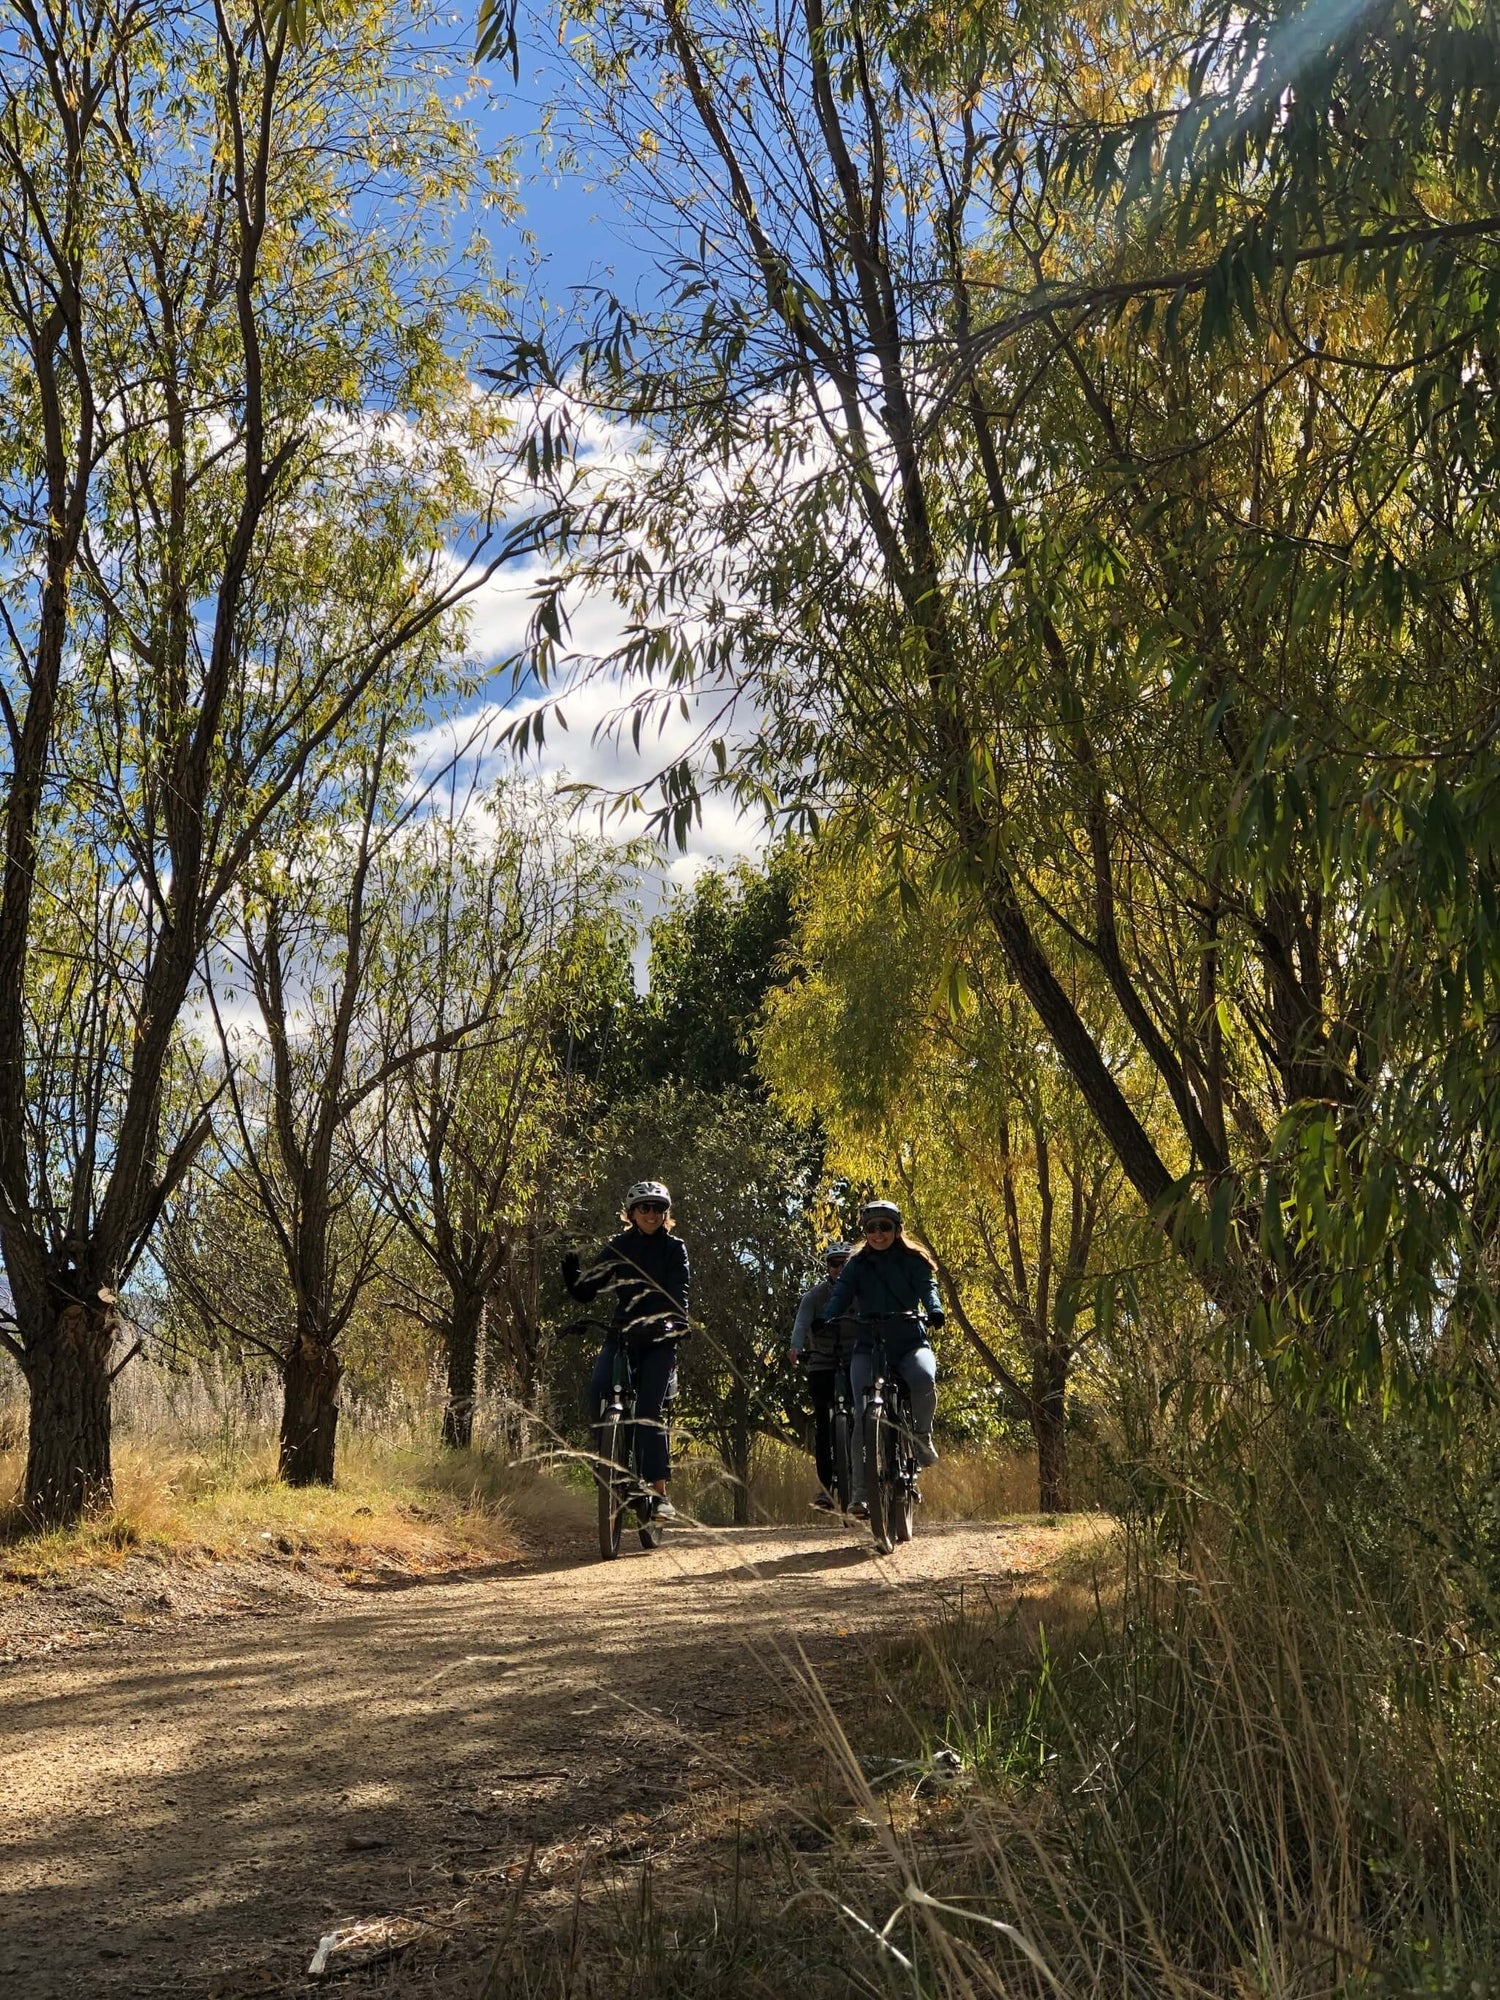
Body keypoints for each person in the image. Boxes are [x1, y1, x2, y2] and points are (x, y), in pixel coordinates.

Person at [563, 1180, 690, 1521]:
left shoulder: (674, 1249)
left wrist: (677, 1322)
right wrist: (572, 1268)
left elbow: (680, 1291)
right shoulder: (618, 1246)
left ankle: (660, 1494)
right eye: (644, 1208)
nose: (651, 1214)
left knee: (648, 1411)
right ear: (632, 1213)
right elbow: (588, 1288)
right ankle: (609, 1468)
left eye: (658, 1209)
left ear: (666, 1214)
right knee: (597, 1390)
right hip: (622, 1336)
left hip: (660, 1341)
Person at [823, 1199, 943, 1518]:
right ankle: (862, 1494)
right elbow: (841, 1294)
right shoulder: (856, 1264)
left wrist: (934, 1310)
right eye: (871, 1228)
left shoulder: (914, 1260)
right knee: (863, 1415)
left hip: (909, 1344)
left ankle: (921, 1439)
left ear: (897, 1229)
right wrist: (828, 1316)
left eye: (885, 1227)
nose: (878, 1234)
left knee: (924, 1379)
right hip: (868, 1347)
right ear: (865, 1231)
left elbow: (928, 1289)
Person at [789, 1242, 858, 1510]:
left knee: (862, 1416)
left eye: (845, 1264)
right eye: (834, 1264)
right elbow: (801, 1323)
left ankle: (865, 1478)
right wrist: (795, 1347)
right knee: (823, 1423)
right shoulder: (815, 1296)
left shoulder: (859, 1293)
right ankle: (825, 1488)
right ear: (827, 1266)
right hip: (822, 1360)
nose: (839, 1269)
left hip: (854, 1358)